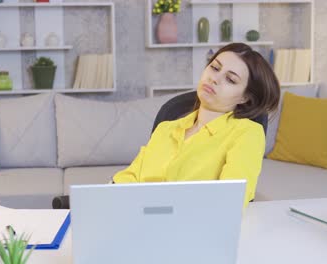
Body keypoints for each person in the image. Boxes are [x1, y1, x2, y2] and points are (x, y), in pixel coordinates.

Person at [112, 43, 280, 206]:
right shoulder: (166, 128)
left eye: (230, 79)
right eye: (215, 68)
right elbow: (127, 180)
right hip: (139, 220)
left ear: (245, 98)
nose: (215, 79)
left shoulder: (247, 133)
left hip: (194, 227)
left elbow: (230, 200)